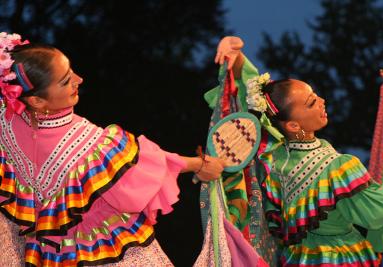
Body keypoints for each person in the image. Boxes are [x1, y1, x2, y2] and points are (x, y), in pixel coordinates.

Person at [0, 32, 225, 266]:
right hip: (101, 251)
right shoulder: (86, 141)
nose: (79, 79)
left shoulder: (5, 123)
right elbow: (142, 168)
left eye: (71, 72)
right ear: (37, 101)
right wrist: (198, 164)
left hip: (49, 255)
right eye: (66, 80)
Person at [203, 35, 383, 266]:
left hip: (300, 259)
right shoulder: (340, 168)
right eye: (311, 102)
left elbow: (260, 105)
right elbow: (378, 213)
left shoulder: (273, 158)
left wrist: (236, 60)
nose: (322, 101)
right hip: (341, 258)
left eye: (315, 96)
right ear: (293, 125)